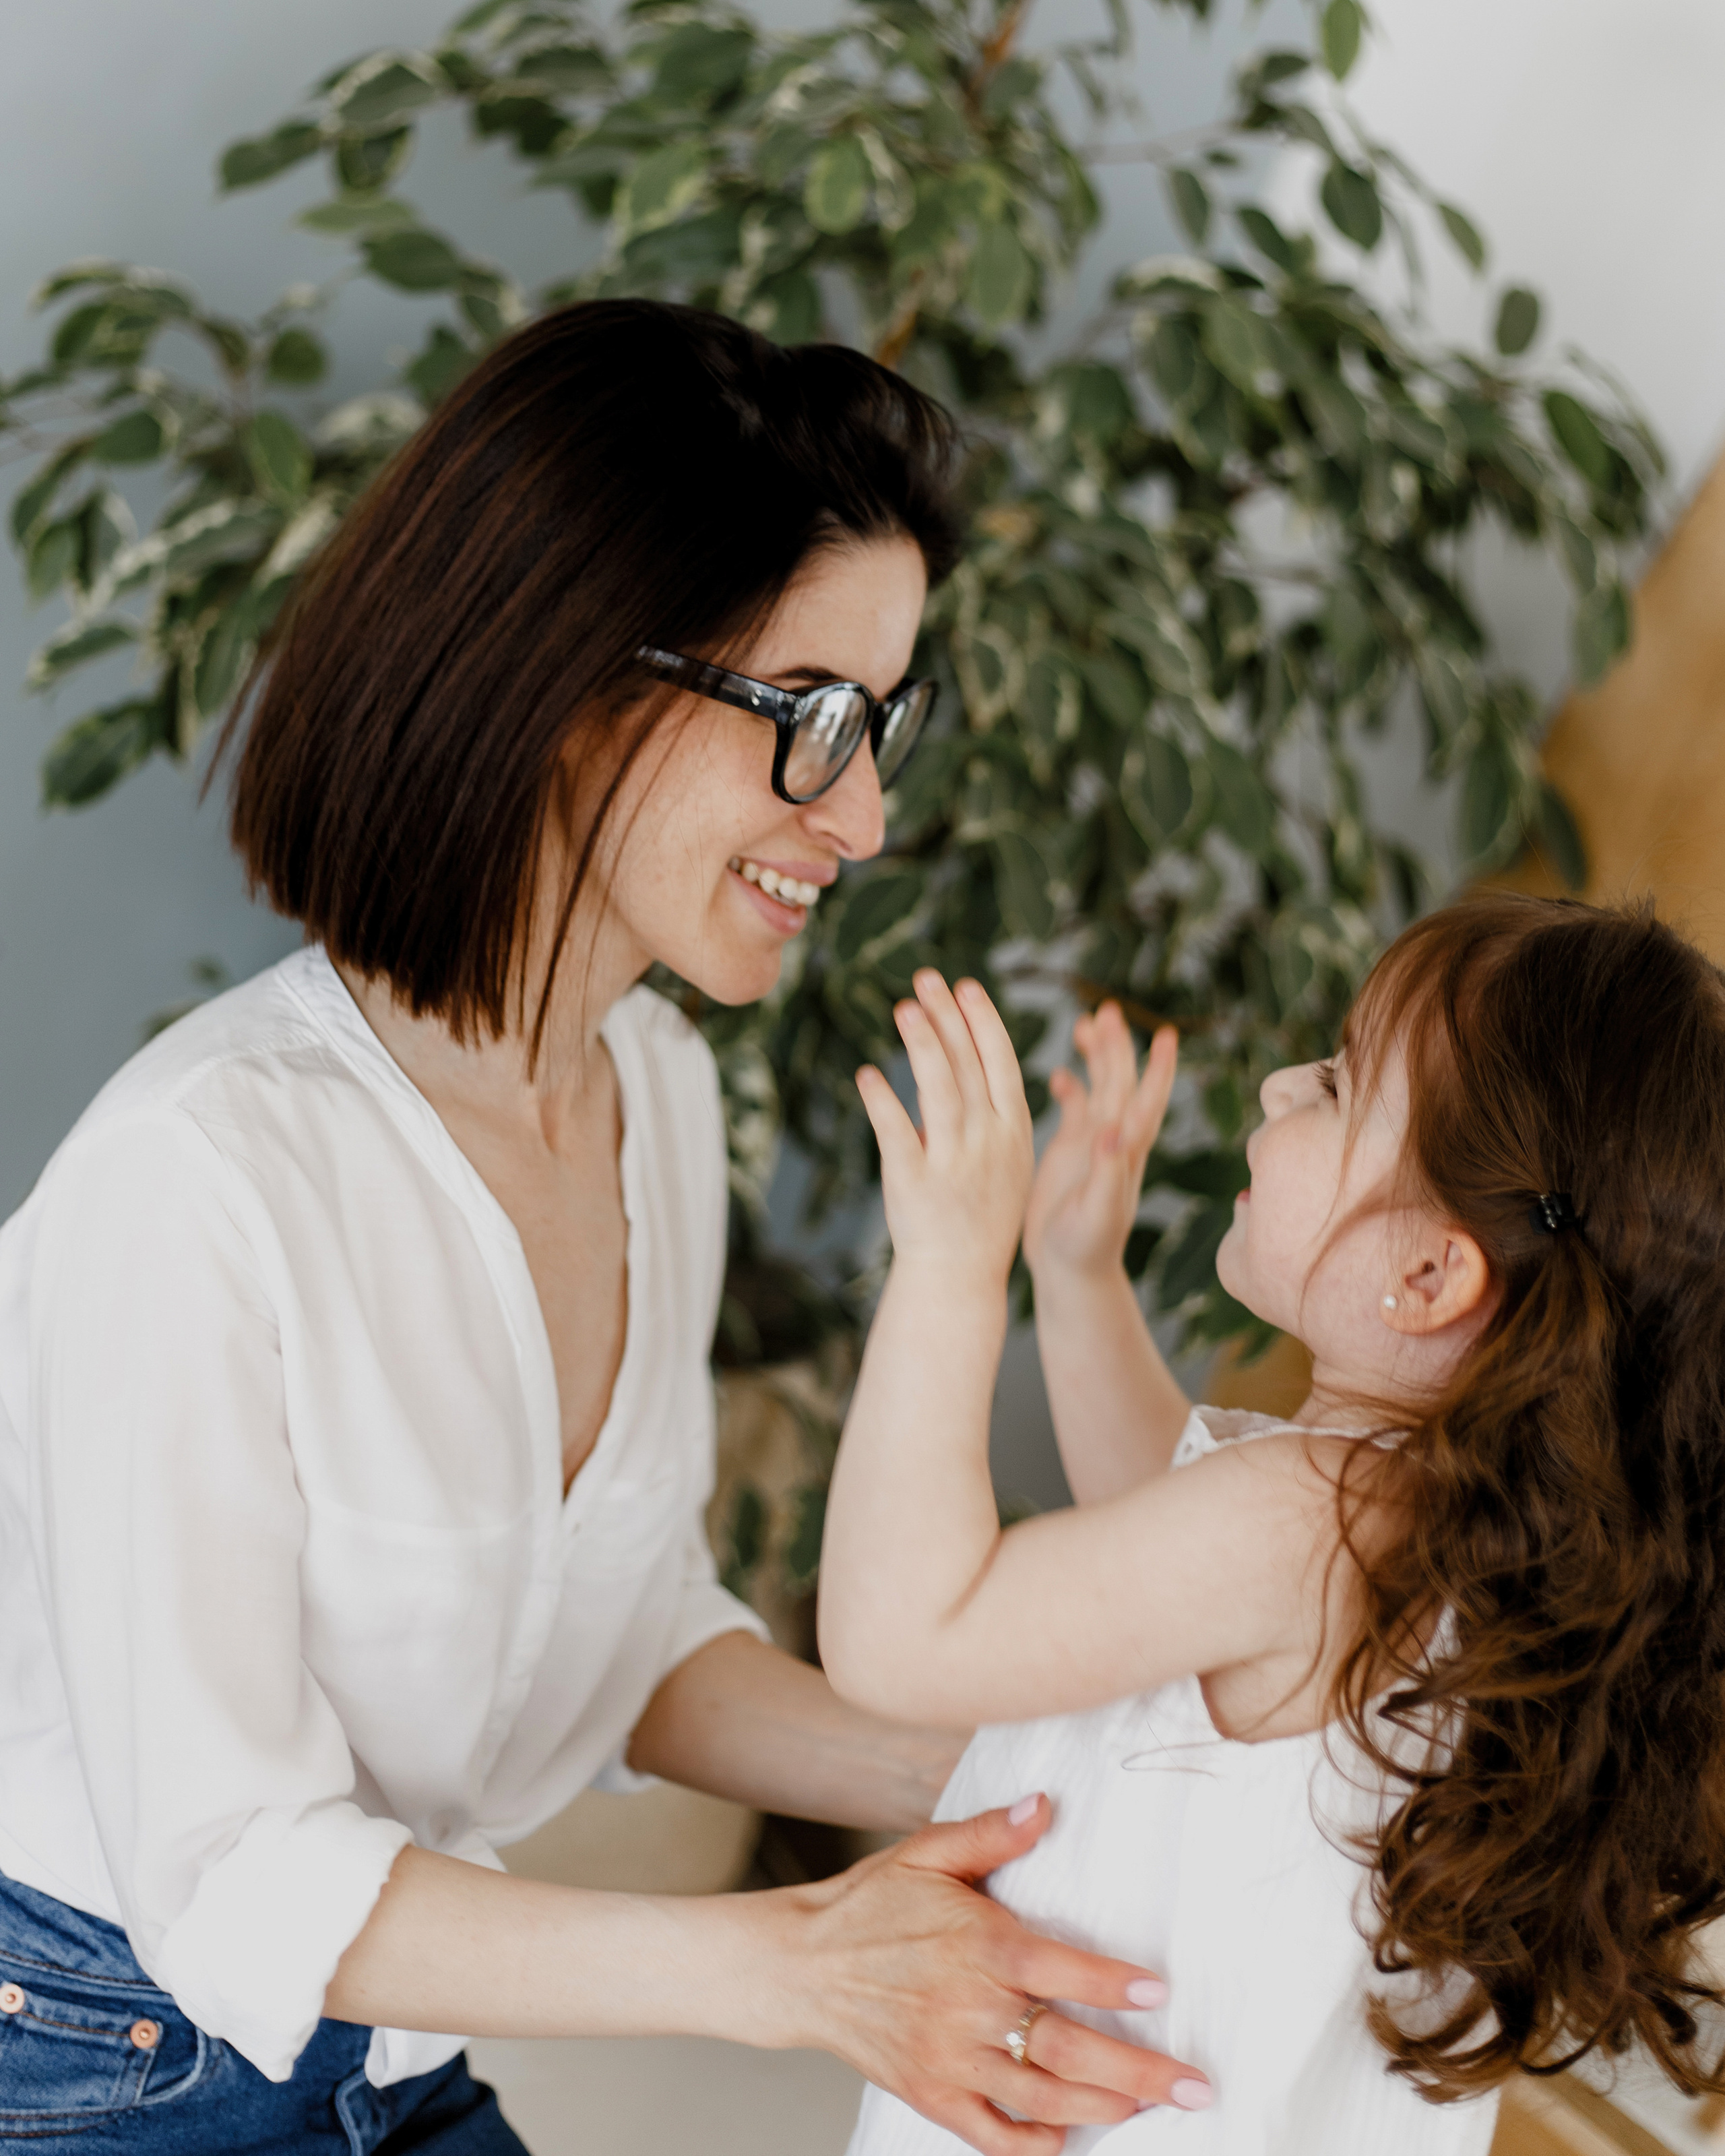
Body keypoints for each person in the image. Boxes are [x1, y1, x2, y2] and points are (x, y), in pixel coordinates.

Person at [0, 302, 1205, 2153]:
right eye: (813, 720)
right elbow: (235, 1880)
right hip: (94, 2054)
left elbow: (628, 1628)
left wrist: (1023, 1771)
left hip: (370, 2035)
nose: (867, 813)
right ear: (572, 687)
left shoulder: (655, 1094)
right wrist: (797, 1963)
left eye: (884, 723)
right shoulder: (200, 1185)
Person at [822, 894, 1725, 2152]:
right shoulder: (1436, 1526)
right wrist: (1080, 1274)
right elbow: (1161, 1535)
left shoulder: (1320, 1523)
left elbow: (899, 1643)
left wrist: (948, 1268)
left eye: (1341, 1083)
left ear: (1426, 1276)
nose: (1278, 1087)